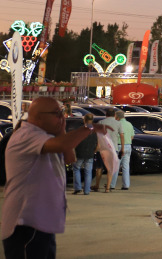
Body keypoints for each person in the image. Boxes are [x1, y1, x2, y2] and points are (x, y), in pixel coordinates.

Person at [2, 97, 110, 257]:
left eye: (62, 113)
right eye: (56, 114)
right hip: (25, 223)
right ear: (38, 116)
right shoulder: (26, 135)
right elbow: (63, 146)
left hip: (42, 223)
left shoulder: (44, 136)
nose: (62, 117)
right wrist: (89, 128)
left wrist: (61, 129)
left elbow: (69, 157)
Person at [72, 113, 99, 195]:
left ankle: (78, 187)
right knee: (88, 171)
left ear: (84, 120)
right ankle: (87, 190)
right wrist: (94, 151)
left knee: (76, 169)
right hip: (90, 153)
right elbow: (98, 145)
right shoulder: (95, 131)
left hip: (79, 152)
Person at [115, 110, 135, 189]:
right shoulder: (129, 124)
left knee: (116, 167)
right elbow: (132, 136)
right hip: (128, 146)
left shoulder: (117, 124)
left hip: (119, 146)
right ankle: (126, 185)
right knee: (126, 167)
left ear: (117, 117)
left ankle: (112, 184)